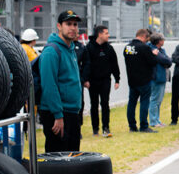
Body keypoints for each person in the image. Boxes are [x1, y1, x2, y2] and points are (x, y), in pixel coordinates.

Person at [38, 10, 84, 152]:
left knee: (73, 156)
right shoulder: (51, 52)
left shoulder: (70, 49)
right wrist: (58, 115)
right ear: (59, 26)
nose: (72, 28)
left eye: (75, 24)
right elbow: (49, 86)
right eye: (68, 24)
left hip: (71, 112)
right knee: (58, 159)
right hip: (57, 114)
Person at [81, 25, 120, 137]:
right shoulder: (89, 48)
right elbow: (86, 65)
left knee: (105, 104)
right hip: (92, 81)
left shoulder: (109, 48)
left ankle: (106, 128)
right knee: (94, 105)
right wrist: (86, 79)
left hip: (105, 80)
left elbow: (114, 64)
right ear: (100, 34)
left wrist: (117, 79)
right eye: (106, 33)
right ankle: (95, 129)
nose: (108, 35)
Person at [123, 28, 159, 133]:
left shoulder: (127, 47)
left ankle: (132, 126)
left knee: (132, 103)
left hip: (132, 80)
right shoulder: (144, 47)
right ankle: (143, 126)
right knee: (144, 103)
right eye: (147, 39)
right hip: (144, 80)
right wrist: (154, 54)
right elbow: (153, 62)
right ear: (144, 36)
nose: (147, 41)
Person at [148, 33, 171, 128]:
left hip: (161, 78)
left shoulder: (161, 50)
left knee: (159, 100)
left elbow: (169, 61)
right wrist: (166, 59)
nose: (164, 41)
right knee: (154, 100)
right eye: (162, 40)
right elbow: (164, 60)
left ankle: (157, 119)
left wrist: (166, 59)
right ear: (159, 41)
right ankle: (153, 121)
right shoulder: (151, 49)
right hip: (156, 78)